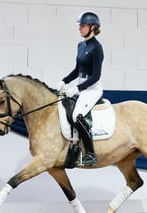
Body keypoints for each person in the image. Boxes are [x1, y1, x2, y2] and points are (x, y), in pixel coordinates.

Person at [58, 12, 104, 166]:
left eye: (83, 26)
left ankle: (91, 154)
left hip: (92, 89)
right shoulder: (81, 45)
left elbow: (96, 76)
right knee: (66, 110)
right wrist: (64, 81)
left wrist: (76, 88)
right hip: (80, 87)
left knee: (77, 115)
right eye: (80, 26)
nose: (80, 29)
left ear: (93, 27)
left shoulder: (97, 48)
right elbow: (77, 70)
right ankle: (74, 149)